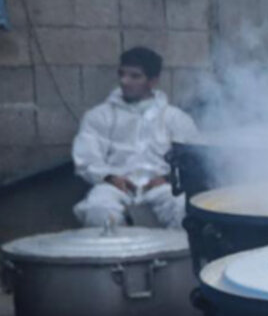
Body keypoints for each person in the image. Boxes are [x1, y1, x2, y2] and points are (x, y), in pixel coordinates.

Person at [72, 47, 200, 229]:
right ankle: (118, 258)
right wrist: (109, 177)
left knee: (183, 208)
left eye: (135, 76)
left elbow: (192, 157)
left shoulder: (175, 118)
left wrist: (168, 178)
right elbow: (86, 158)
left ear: (153, 81)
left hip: (162, 187)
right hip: (114, 186)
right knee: (97, 209)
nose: (125, 81)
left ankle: (177, 257)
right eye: (122, 74)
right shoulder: (99, 116)